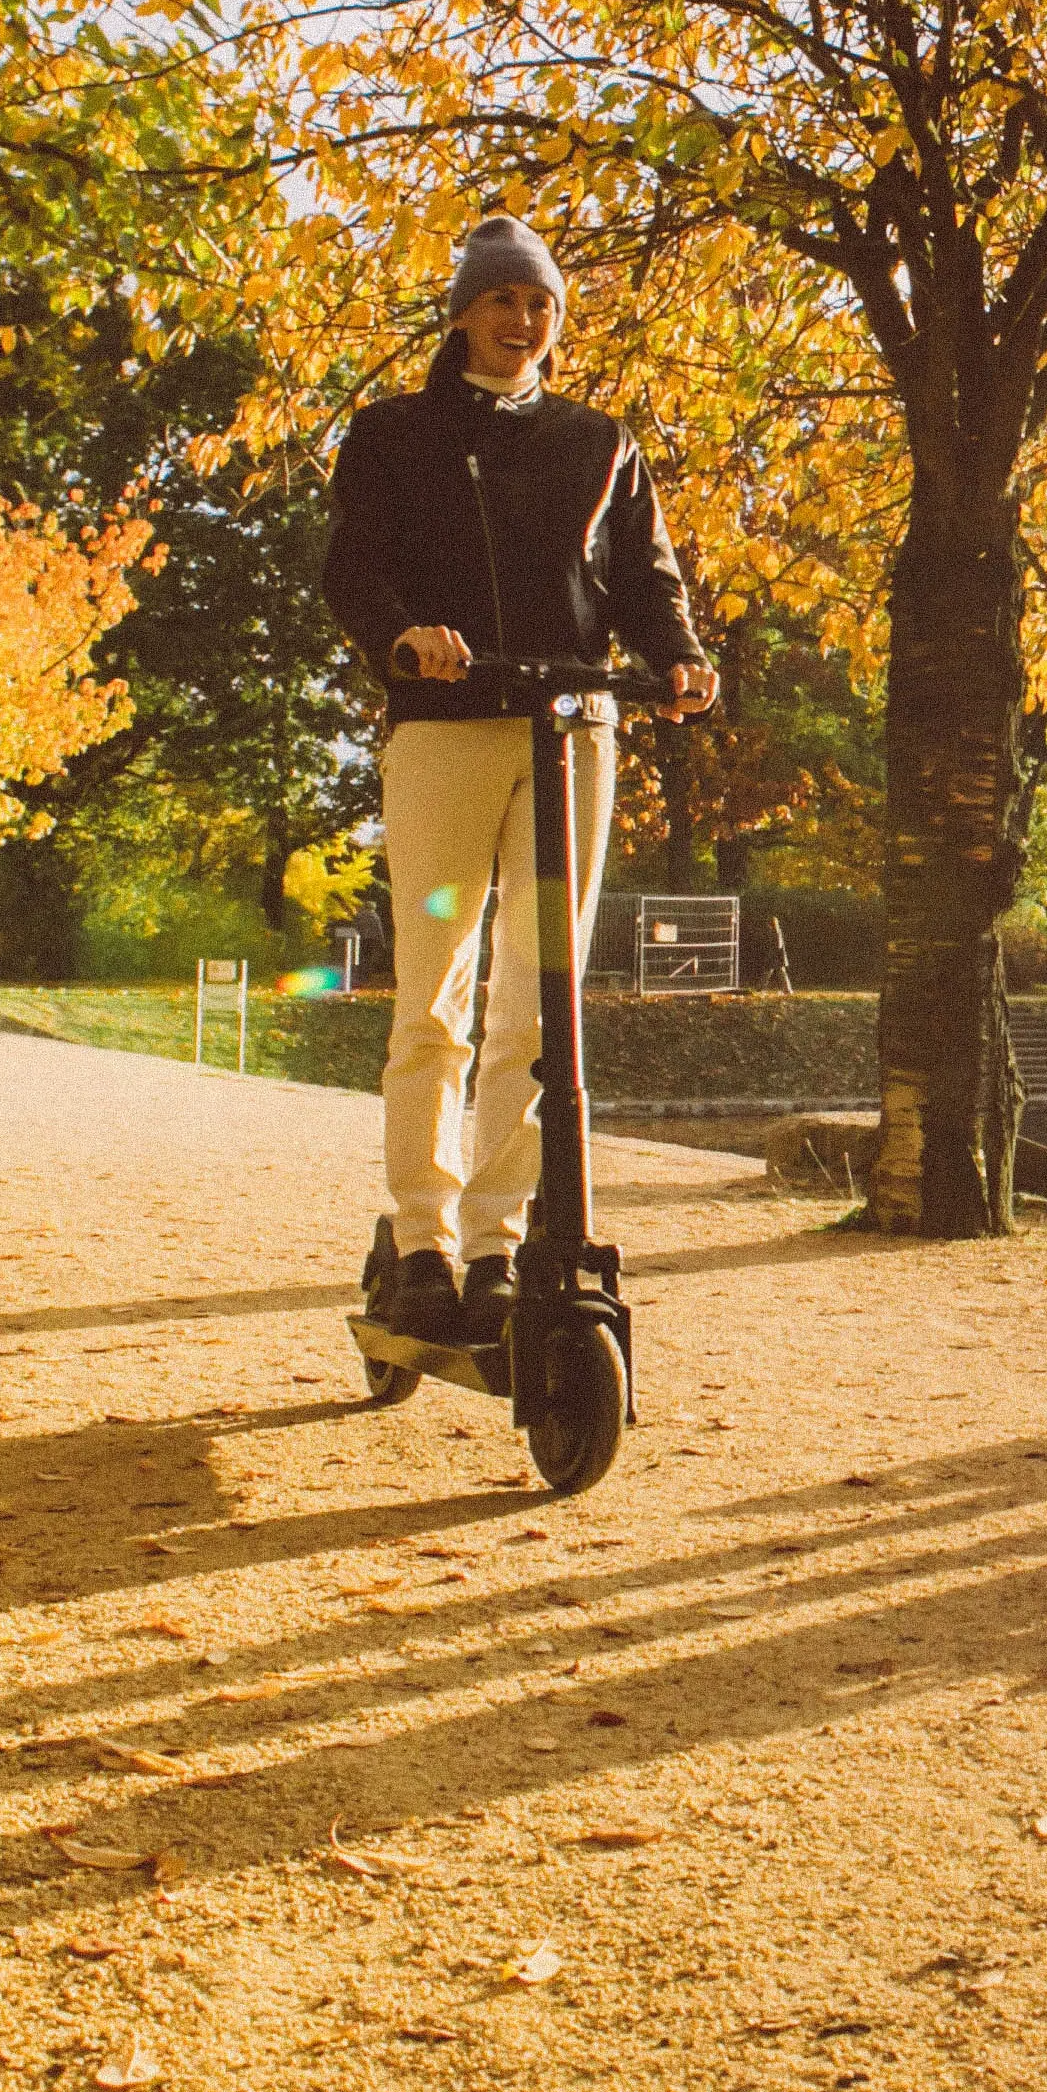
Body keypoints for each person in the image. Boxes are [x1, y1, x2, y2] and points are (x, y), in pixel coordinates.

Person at [322, 217, 717, 1344]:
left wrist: (679, 654)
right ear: (463, 312)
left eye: (539, 304)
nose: (521, 321)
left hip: (571, 731)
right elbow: (354, 565)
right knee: (434, 998)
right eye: (501, 301)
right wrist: (406, 635)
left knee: (539, 1002)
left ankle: (498, 1242)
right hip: (448, 731)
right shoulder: (393, 436)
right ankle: (423, 1244)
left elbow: (646, 574)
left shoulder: (599, 441)